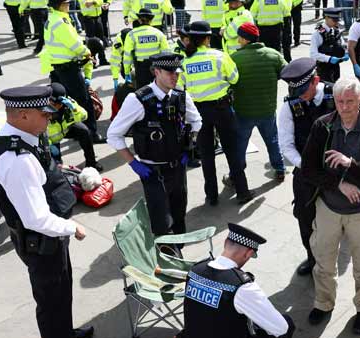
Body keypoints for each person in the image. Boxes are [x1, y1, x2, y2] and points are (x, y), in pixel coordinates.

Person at [0, 86, 96, 338]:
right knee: (51, 301)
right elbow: (35, 218)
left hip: (50, 239)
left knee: (63, 291)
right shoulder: (18, 160)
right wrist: (73, 227)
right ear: (23, 115)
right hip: (41, 241)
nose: (50, 117)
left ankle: (65, 335)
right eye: (44, 113)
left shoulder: (26, 137)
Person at [301, 76, 360, 334]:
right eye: (339, 101)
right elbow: (308, 170)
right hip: (328, 208)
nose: (344, 107)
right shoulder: (322, 126)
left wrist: (351, 164)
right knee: (324, 263)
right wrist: (339, 184)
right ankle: (323, 303)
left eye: (350, 101)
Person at [183, 223, 295, 338]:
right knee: (287, 324)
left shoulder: (195, 270)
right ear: (249, 253)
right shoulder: (241, 287)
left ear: (226, 241)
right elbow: (279, 328)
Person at [108, 54, 202, 235]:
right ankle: (163, 255)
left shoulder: (180, 96)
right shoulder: (137, 100)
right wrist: (133, 163)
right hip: (153, 171)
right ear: (156, 72)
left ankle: (177, 249)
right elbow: (113, 135)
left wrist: (189, 145)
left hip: (178, 169)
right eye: (170, 73)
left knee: (179, 213)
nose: (175, 77)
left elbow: (197, 122)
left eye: (177, 73)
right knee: (160, 220)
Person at [179, 21, 254, 206]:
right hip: (222, 109)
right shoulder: (220, 56)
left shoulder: (185, 62)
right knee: (232, 150)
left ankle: (211, 195)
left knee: (206, 154)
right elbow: (235, 78)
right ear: (207, 38)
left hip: (198, 112)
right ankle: (242, 192)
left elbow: (181, 89)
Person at [278, 58, 335, 276]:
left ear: (316, 81)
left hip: (336, 170)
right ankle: (312, 259)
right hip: (307, 173)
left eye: (304, 90)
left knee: (339, 219)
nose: (300, 97)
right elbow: (286, 145)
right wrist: (307, 166)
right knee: (305, 219)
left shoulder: (336, 95)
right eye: (296, 92)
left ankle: (332, 258)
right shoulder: (289, 106)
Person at [231, 22, 287, 182]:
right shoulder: (273, 54)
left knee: (240, 145)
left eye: (239, 37)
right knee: (272, 141)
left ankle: (237, 174)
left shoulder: (235, 58)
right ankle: (280, 169)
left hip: (243, 112)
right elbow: (287, 72)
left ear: (244, 39)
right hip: (267, 110)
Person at [43, 0, 98, 140]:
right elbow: (73, 43)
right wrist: (87, 52)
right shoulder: (60, 21)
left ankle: (72, 130)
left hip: (58, 65)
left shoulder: (53, 18)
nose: (69, 4)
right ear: (60, 4)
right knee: (84, 101)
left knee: (65, 100)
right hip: (68, 67)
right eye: (66, 2)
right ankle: (90, 133)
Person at [46, 82, 103, 171]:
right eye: (55, 103)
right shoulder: (41, 110)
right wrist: (49, 145)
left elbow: (84, 116)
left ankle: (92, 164)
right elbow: (38, 132)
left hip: (65, 129)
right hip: (51, 138)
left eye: (59, 103)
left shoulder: (67, 103)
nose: (58, 106)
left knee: (84, 131)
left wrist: (74, 109)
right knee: (56, 167)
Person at [123, 8, 170, 89]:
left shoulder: (132, 34)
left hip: (141, 68)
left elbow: (127, 55)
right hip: (156, 67)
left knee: (143, 93)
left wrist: (126, 72)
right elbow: (166, 53)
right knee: (158, 90)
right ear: (151, 20)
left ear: (139, 20)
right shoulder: (159, 33)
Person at [310, 8, 348, 83]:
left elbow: (343, 44)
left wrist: (346, 52)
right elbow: (313, 54)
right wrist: (329, 59)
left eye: (337, 20)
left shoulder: (335, 31)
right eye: (334, 20)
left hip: (335, 68)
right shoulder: (317, 34)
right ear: (326, 18)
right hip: (323, 69)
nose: (336, 23)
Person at [78, 0, 108, 64]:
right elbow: (86, 4)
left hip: (98, 17)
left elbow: (101, 2)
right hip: (88, 18)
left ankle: (102, 59)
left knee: (101, 39)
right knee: (91, 41)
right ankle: (92, 61)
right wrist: (96, 2)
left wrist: (94, 2)